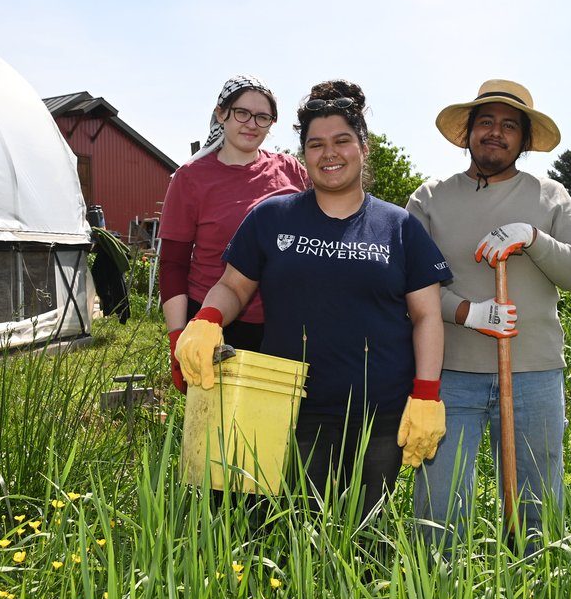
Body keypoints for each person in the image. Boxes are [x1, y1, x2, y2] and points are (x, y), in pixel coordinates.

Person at [176, 80, 452, 519]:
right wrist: (208, 317)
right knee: (282, 535)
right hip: (286, 408)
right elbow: (232, 286)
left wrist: (425, 394)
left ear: (363, 147)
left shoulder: (399, 227)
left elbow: (427, 316)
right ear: (303, 154)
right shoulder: (270, 217)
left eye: (342, 141)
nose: (330, 153)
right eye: (316, 144)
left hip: (377, 416)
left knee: (362, 537)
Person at [407, 79, 571, 549]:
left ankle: (532, 593)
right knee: (440, 503)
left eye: (509, 125)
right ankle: (439, 598)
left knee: (537, 501)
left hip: (534, 371)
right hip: (450, 372)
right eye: (486, 122)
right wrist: (466, 311)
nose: (496, 132)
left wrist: (532, 238)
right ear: (469, 131)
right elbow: (408, 284)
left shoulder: (551, 196)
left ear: (524, 140)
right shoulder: (430, 198)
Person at [159, 75, 310, 392]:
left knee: (275, 424)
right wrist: (178, 336)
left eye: (262, 117)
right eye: (242, 113)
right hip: (215, 322)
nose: (251, 124)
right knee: (217, 428)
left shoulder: (291, 170)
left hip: (282, 320)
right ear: (221, 114)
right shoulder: (190, 178)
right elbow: (173, 264)